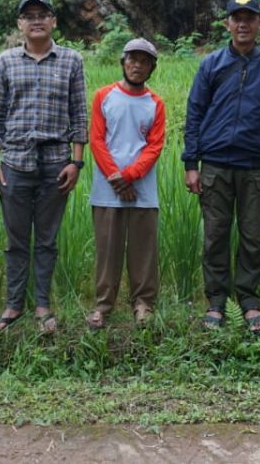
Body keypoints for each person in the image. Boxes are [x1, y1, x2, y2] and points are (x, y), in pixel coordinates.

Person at [182, 0, 260, 334]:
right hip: (215, 165)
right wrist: (191, 163)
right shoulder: (212, 64)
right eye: (237, 18)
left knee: (252, 237)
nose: (243, 24)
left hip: (257, 167)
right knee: (215, 235)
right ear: (228, 23)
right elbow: (194, 113)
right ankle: (216, 301)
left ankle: (248, 300)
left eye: (250, 17)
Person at [0, 0, 88, 334]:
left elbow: (79, 114)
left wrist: (77, 162)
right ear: (20, 24)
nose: (36, 20)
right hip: (14, 161)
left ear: (54, 21)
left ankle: (43, 305)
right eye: (29, 16)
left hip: (57, 163)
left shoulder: (72, 60)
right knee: (16, 240)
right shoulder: (6, 61)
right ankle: (14, 305)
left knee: (46, 240)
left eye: (43, 14)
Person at [85, 38, 166, 329]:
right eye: (132, 59)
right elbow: (96, 139)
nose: (137, 65)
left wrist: (129, 176)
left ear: (151, 68)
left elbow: (154, 146)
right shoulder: (103, 96)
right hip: (107, 187)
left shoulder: (155, 103)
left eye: (144, 61)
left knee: (143, 249)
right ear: (123, 62)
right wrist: (116, 178)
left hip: (142, 188)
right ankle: (103, 305)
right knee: (107, 249)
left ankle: (143, 303)